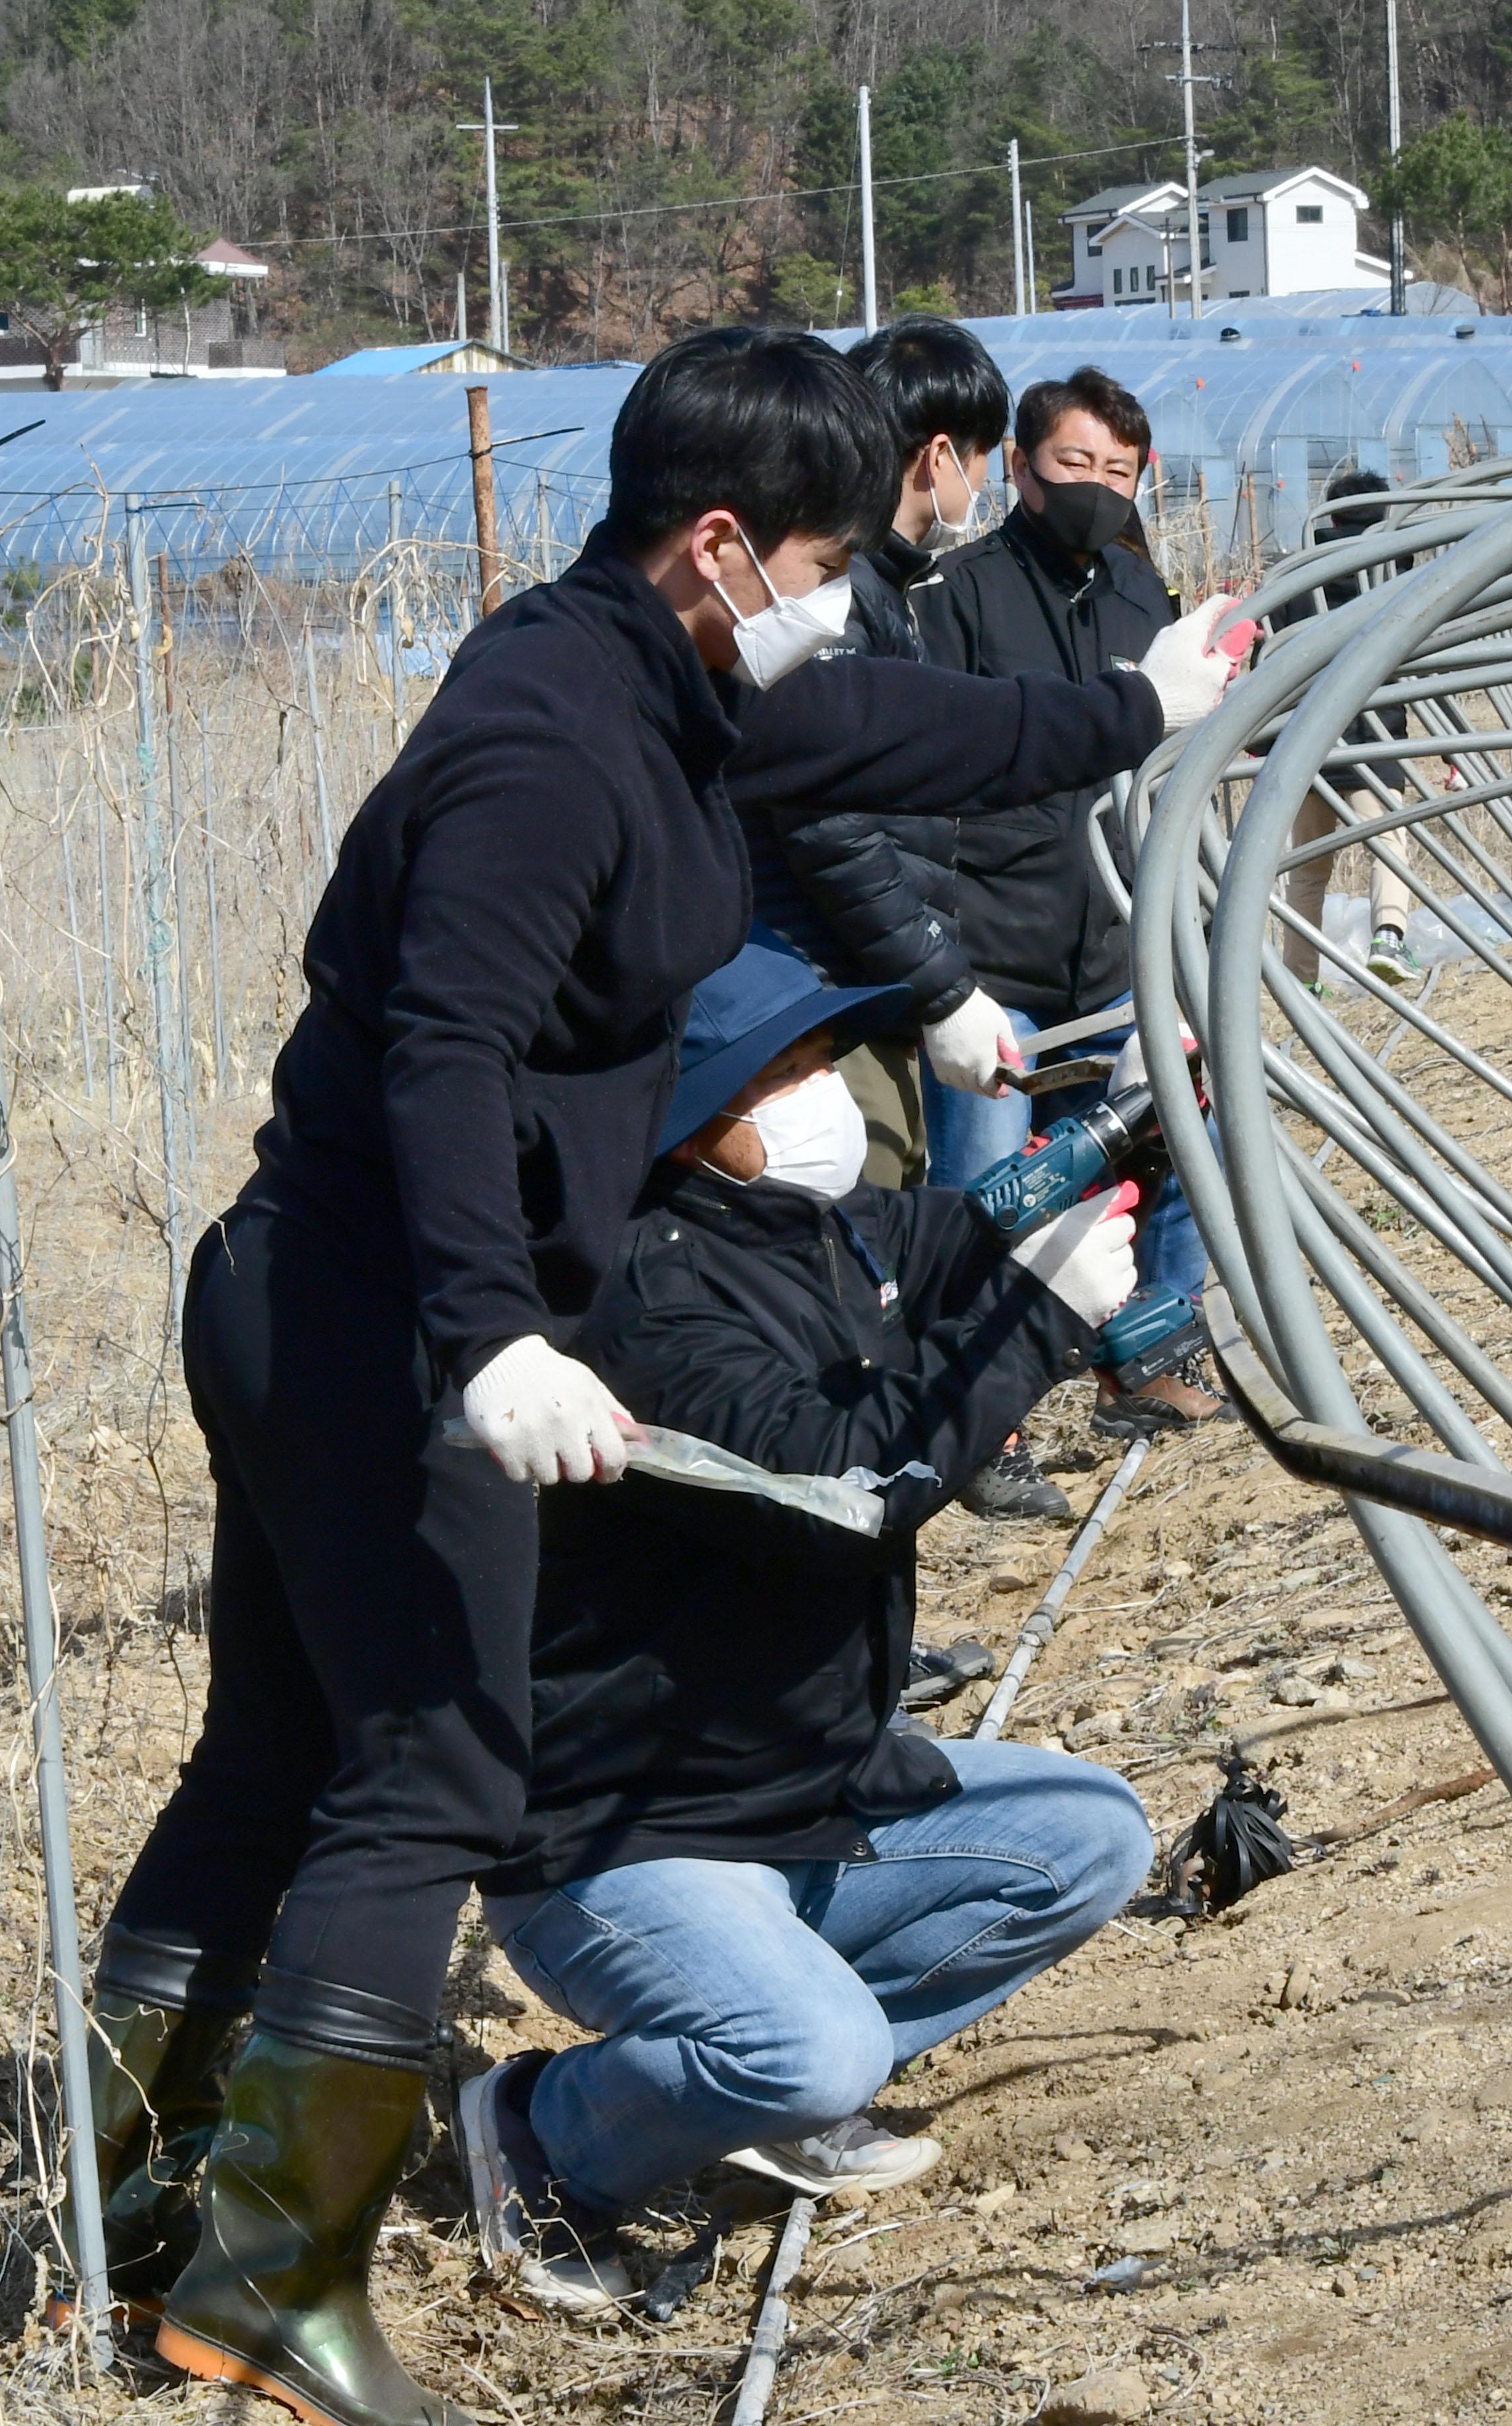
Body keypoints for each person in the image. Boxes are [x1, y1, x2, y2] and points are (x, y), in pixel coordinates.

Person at [95, 328, 1243, 2425]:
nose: (836, 605)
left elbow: (903, 725)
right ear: (714, 544)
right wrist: (493, 1333)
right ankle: (265, 2279)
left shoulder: (686, 696)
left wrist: (1125, 707)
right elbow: (443, 1046)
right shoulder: (550, 737)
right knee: (429, 1774)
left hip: (324, 1282)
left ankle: (147, 2225)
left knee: (266, 1760)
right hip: (367, 1300)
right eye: (817, 561)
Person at [455, 940, 1156, 2308]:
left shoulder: (818, 1229)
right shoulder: (644, 1305)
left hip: (809, 1790)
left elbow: (971, 1225)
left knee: (1090, 1837)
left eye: (818, 1058)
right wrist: (1040, 1319)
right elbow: (849, 1490)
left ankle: (744, 2081)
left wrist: (1135, 1115)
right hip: (631, 1832)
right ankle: (556, 2135)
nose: (819, 1087)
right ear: (685, 1124)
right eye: (776, 1070)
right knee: (815, 2049)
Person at [918, 365, 1225, 1446]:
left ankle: (1151, 1357)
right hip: (993, 953)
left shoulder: (1146, 601)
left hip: (1117, 948)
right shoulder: (953, 600)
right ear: (1020, 469)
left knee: (1180, 1134)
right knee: (986, 1188)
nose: (1097, 485)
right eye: (1073, 463)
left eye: (1119, 469)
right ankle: (970, 1417)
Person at [743, 318, 1026, 1197]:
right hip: (826, 995)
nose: (980, 485)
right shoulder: (839, 596)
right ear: (939, 455)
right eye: (981, 459)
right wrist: (941, 986)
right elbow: (833, 824)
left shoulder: (883, 591)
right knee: (858, 1234)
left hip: (861, 987)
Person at [1275, 467, 1428, 994]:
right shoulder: (1397, 574)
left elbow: (1272, 659)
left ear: (1331, 515)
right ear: (1384, 517)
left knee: (1307, 870)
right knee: (1388, 846)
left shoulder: (1296, 576)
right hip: (1374, 738)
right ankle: (1388, 936)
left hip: (1308, 746)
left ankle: (1299, 978)